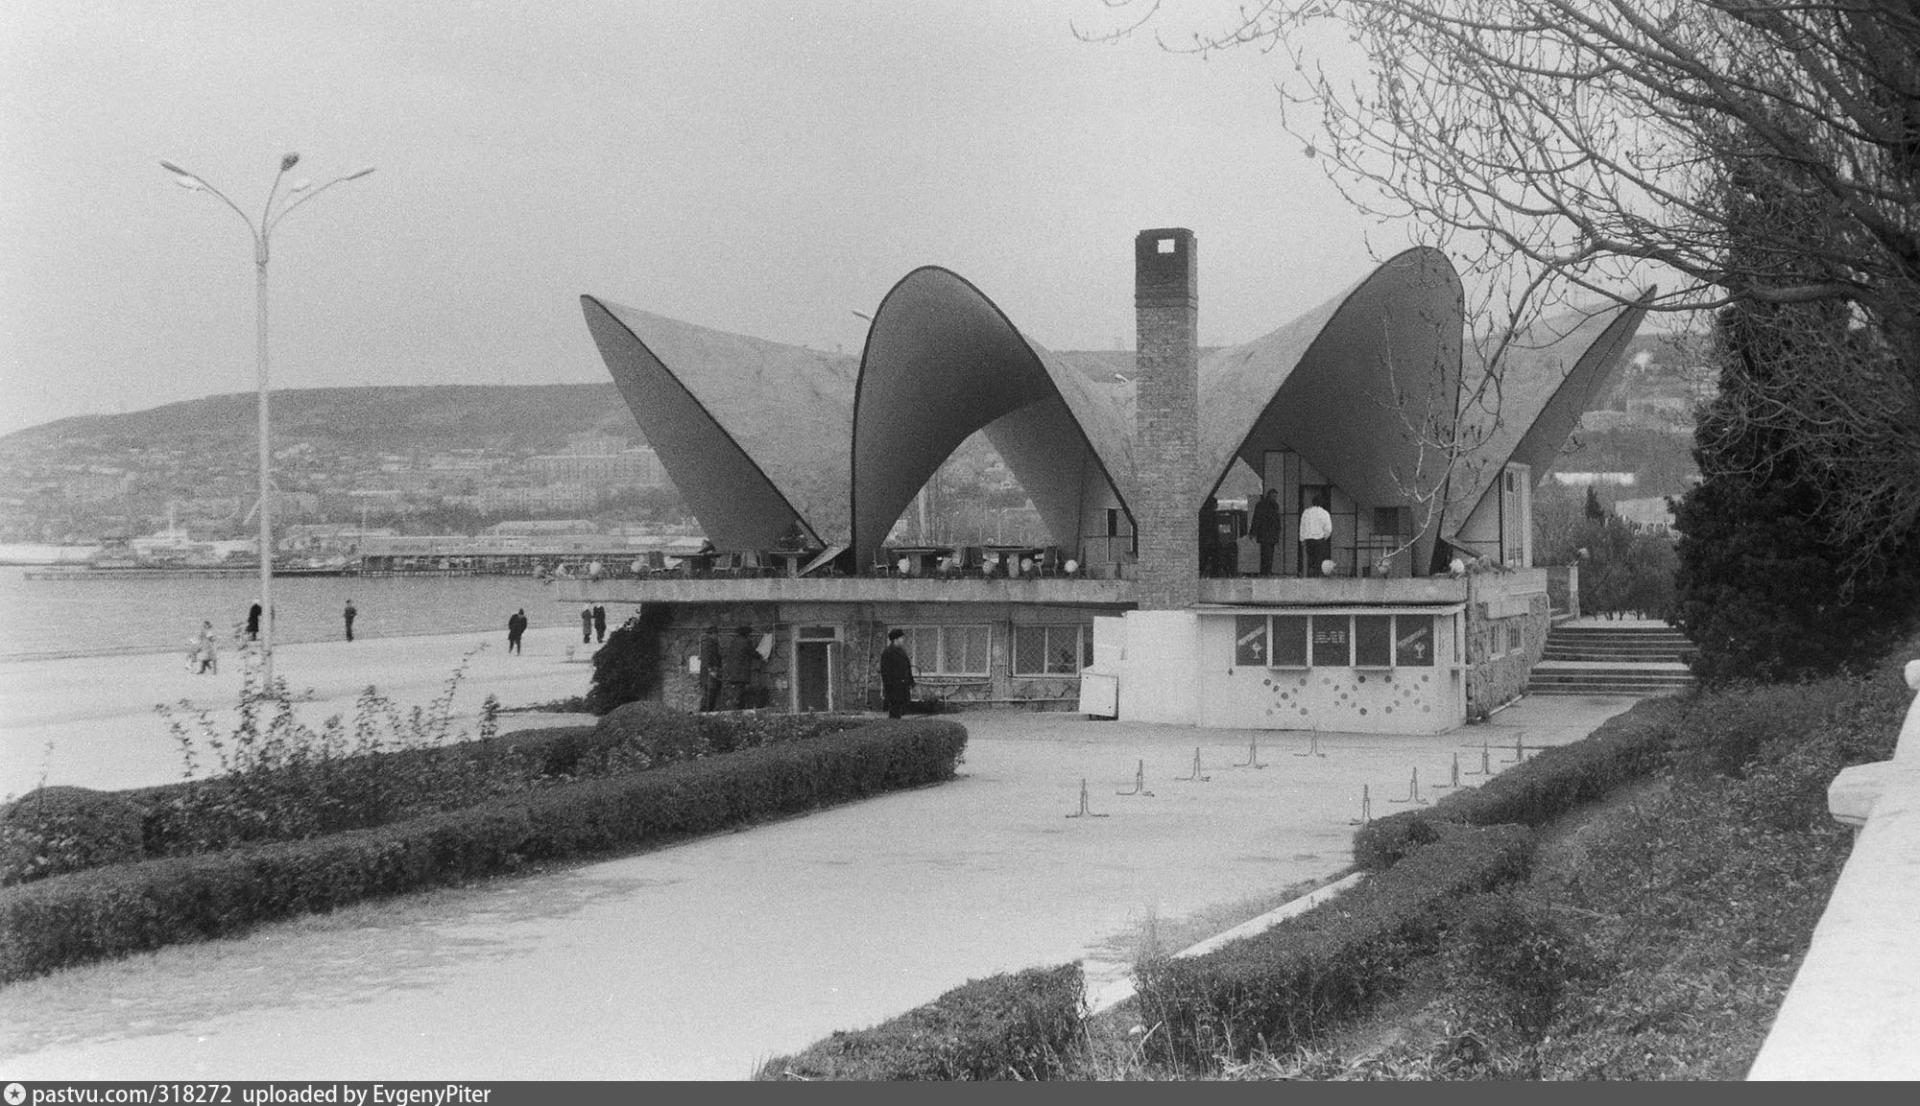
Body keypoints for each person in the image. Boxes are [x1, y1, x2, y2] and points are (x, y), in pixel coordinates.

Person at [721, 625, 759, 711]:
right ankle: (737, 709)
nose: (750, 636)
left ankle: (736, 707)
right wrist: (760, 655)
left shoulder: (734, 642)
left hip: (733, 671)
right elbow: (752, 653)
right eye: (749, 634)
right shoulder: (745, 642)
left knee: (736, 690)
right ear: (746, 634)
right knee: (740, 691)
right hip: (741, 671)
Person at [880, 628, 915, 719]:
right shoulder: (888, 652)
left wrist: (911, 681)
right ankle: (893, 727)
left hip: (903, 687)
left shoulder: (902, 651)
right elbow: (885, 672)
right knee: (895, 711)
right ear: (895, 639)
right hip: (894, 688)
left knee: (901, 710)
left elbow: (907, 667)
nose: (903, 640)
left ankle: (898, 727)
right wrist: (889, 687)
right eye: (901, 638)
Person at [1251, 488, 1283, 576]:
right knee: (1269, 553)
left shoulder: (1260, 505)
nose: (1275, 498)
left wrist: (1253, 532)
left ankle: (1264, 571)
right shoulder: (1275, 505)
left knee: (1265, 553)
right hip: (1271, 533)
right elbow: (1277, 520)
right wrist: (1278, 531)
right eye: (1274, 496)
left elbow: (1256, 519)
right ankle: (1267, 570)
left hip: (1263, 533)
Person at [1300, 493, 1333, 578]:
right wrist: (1325, 537)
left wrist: (1302, 539)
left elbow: (1302, 526)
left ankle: (1310, 576)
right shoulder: (1324, 513)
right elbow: (1328, 529)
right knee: (1319, 559)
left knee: (1310, 559)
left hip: (1308, 539)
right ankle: (1317, 576)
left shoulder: (1306, 512)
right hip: (1320, 539)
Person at [697, 626, 724, 712]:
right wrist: (711, 669)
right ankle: (706, 712)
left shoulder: (710, 643)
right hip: (709, 672)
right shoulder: (708, 643)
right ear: (712, 634)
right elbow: (707, 658)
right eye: (716, 634)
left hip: (708, 671)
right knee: (709, 692)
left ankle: (707, 711)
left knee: (710, 692)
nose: (717, 637)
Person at [1198, 496, 1220, 578]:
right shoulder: (1212, 515)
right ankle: (1214, 574)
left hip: (1205, 540)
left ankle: (1201, 573)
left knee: (1203, 559)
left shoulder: (1203, 514)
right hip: (1210, 541)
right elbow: (1213, 529)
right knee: (1213, 559)